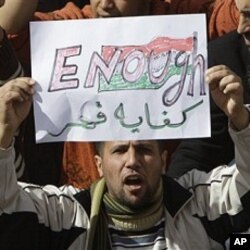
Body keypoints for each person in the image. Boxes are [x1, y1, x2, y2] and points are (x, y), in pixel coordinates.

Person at [1, 63, 250, 249]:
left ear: (164, 161)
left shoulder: (202, 204)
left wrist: (242, 121)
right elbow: (7, 207)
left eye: (144, 149)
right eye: (120, 150)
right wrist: (2, 136)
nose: (132, 161)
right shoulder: (65, 216)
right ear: (99, 164)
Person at [167, 0, 250, 177]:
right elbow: (202, 149)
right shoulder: (225, 57)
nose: (242, 28)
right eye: (240, 13)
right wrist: (169, 196)